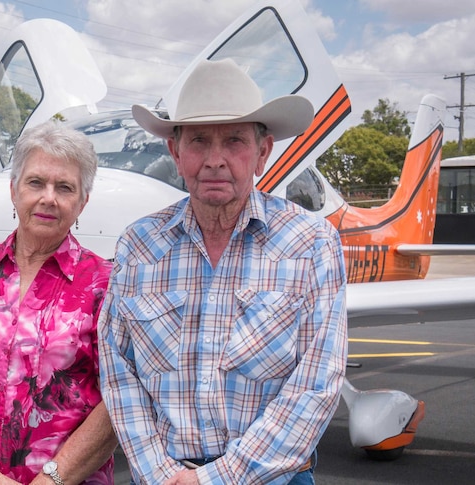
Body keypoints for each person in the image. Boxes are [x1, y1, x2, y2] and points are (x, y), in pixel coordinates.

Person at [97, 58, 348, 484]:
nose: (215, 160)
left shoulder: (312, 244)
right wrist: (161, 475)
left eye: (234, 141)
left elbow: (316, 382)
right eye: (198, 142)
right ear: (176, 153)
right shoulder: (138, 245)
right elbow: (118, 372)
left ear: (263, 152)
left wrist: (217, 479)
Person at [0, 120, 118, 485]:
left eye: (65, 187)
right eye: (35, 183)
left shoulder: (107, 286)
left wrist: (50, 481)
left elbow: (118, 405)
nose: (49, 197)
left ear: (83, 202)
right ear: (14, 190)